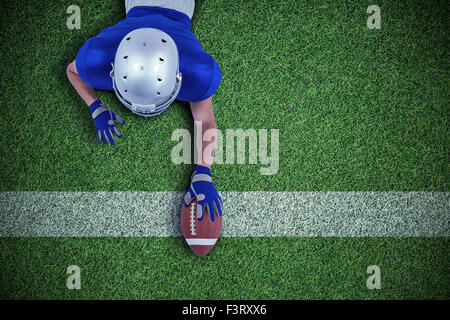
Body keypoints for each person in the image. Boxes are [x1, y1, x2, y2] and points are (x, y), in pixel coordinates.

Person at [66, 0, 222, 231]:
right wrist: (202, 170)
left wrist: (204, 171)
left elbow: (72, 70)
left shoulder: (197, 71)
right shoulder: (98, 57)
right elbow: (205, 121)